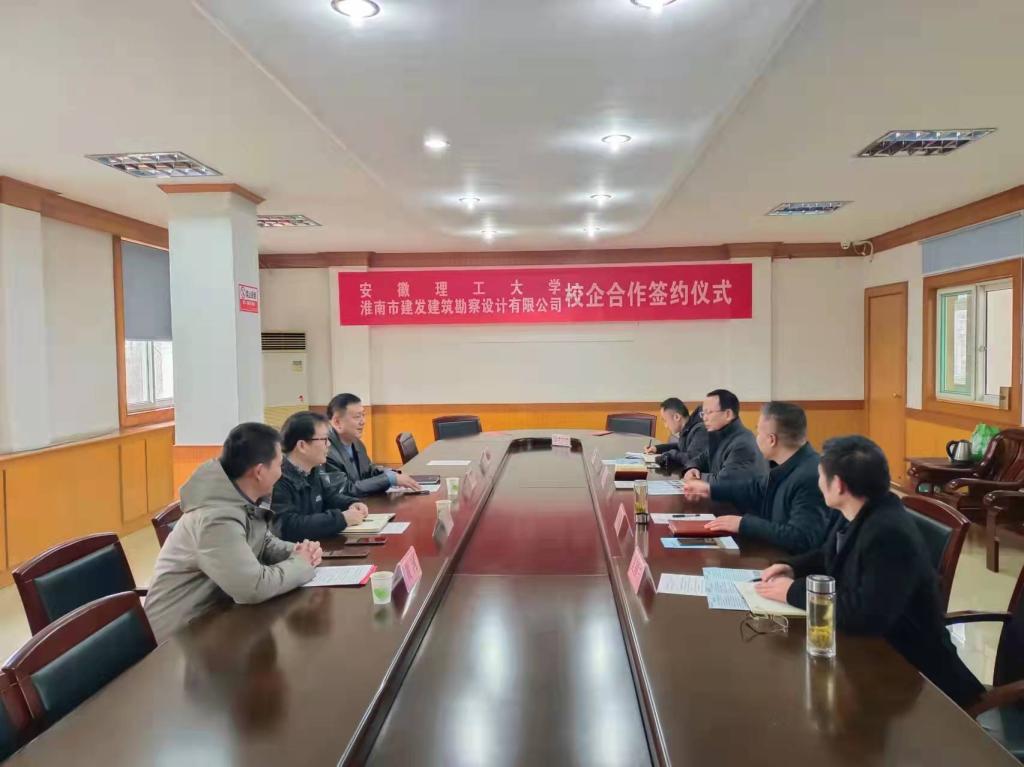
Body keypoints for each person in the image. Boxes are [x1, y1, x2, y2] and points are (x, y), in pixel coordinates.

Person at [754, 435, 984, 710]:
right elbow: (830, 555)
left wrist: (792, 592)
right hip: (871, 655)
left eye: (821, 476)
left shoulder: (888, 533)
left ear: (838, 485)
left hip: (915, 679)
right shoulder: (862, 509)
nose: (818, 483)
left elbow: (864, 615)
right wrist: (792, 566)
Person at [144, 423, 321, 643]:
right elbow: (253, 587)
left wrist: (298, 551)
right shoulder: (215, 518)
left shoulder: (239, 499)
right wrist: (301, 564)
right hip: (177, 640)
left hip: (217, 621)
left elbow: (263, 542)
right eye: (279, 465)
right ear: (259, 472)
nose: (281, 472)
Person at [682, 402, 832, 553]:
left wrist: (743, 524)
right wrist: (710, 489)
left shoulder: (810, 476)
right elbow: (754, 488)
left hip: (791, 563)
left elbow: (801, 538)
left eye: (758, 432)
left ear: (771, 440)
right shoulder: (786, 464)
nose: (756, 438)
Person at [272, 411, 370, 542]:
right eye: (324, 439)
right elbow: (288, 526)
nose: (329, 444)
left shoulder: (313, 470)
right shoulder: (278, 478)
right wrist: (341, 519)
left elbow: (329, 497)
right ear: (302, 445)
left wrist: (351, 503)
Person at [326, 392, 421, 496]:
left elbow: (368, 471)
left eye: (363, 415)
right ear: (337, 422)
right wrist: (388, 479)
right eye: (357, 417)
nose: (363, 421)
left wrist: (391, 473)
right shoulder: (326, 452)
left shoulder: (357, 443)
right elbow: (346, 490)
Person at [682, 389, 767, 483]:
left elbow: (724, 481)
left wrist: (696, 477)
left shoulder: (742, 443)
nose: (704, 418)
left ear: (728, 414)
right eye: (703, 413)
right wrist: (692, 468)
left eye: (709, 412)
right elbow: (701, 459)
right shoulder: (719, 436)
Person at [643, 397, 708, 471]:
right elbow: (680, 446)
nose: (666, 426)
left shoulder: (700, 430)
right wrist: (657, 448)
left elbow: (693, 459)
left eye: (665, 420)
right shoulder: (687, 428)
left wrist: (671, 455)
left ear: (677, 417)